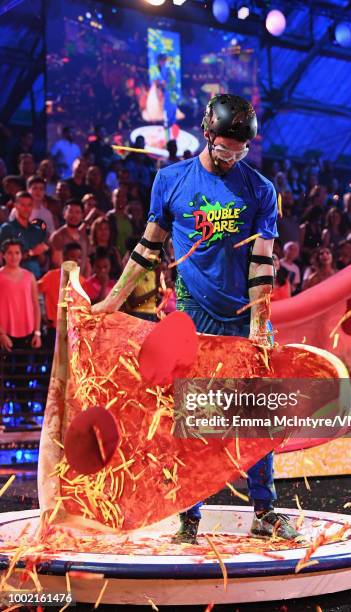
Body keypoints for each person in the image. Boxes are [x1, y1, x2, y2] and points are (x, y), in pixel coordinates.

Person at [92, 93, 302, 544]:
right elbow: (147, 249)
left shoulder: (260, 189)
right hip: (194, 316)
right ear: (207, 135)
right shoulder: (171, 181)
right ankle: (190, 516)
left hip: (244, 316)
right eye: (225, 149)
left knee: (255, 419)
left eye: (240, 150)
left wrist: (257, 325)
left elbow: (262, 262)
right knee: (194, 418)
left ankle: (264, 510)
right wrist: (112, 301)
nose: (231, 158)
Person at [38, 241, 85, 347]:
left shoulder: (82, 281)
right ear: (64, 257)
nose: (76, 260)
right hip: (53, 330)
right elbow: (36, 292)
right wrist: (43, 313)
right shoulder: (51, 277)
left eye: (79, 257)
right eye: (72, 257)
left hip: (73, 331)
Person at [0, 239, 41, 352]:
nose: (14, 256)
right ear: (3, 255)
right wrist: (1, 334)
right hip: (5, 333)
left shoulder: (29, 276)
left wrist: (37, 333)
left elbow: (36, 306)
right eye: (9, 253)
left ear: (22, 255)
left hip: (28, 332)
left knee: (25, 368)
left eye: (17, 253)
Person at [0, 191, 49, 279]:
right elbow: (3, 258)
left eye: (29, 205)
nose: (26, 209)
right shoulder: (7, 228)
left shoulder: (37, 231)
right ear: (15, 206)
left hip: (35, 280)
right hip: (13, 279)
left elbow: (43, 263)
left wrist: (41, 253)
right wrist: (31, 253)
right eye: (22, 205)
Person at [49, 200, 90, 276]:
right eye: (71, 212)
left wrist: (85, 282)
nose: (74, 215)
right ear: (64, 214)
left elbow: (86, 262)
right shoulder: (58, 236)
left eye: (77, 212)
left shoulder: (84, 237)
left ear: (82, 216)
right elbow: (58, 264)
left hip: (81, 282)